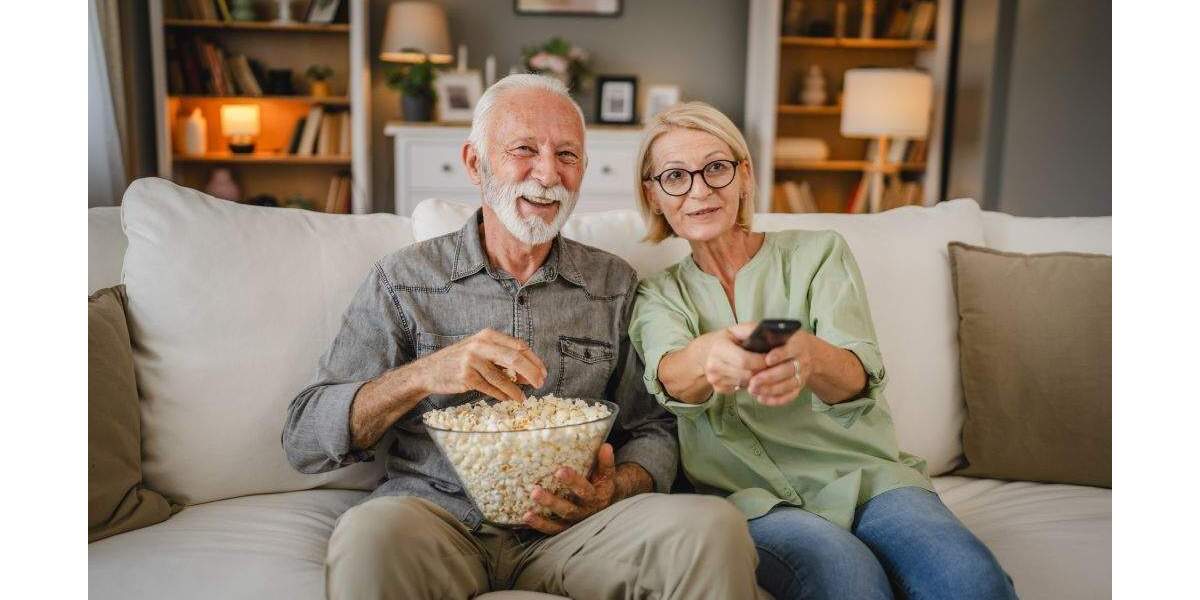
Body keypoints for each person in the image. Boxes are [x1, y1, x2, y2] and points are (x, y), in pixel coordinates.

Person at [281, 77, 760, 600]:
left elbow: (654, 427)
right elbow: (305, 437)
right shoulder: (404, 279)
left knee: (713, 527)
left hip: (578, 533)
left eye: (568, 155)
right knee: (369, 536)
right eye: (524, 150)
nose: (548, 173)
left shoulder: (612, 285)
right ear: (474, 163)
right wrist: (424, 375)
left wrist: (612, 488)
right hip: (437, 520)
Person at [628, 101, 1017, 600]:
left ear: (744, 176)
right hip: (753, 503)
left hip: (869, 480)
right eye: (675, 176)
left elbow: (857, 376)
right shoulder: (656, 294)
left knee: (973, 583)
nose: (699, 190)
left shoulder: (818, 254)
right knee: (852, 585)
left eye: (716, 168)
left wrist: (810, 356)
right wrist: (709, 357)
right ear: (653, 194)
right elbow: (671, 374)